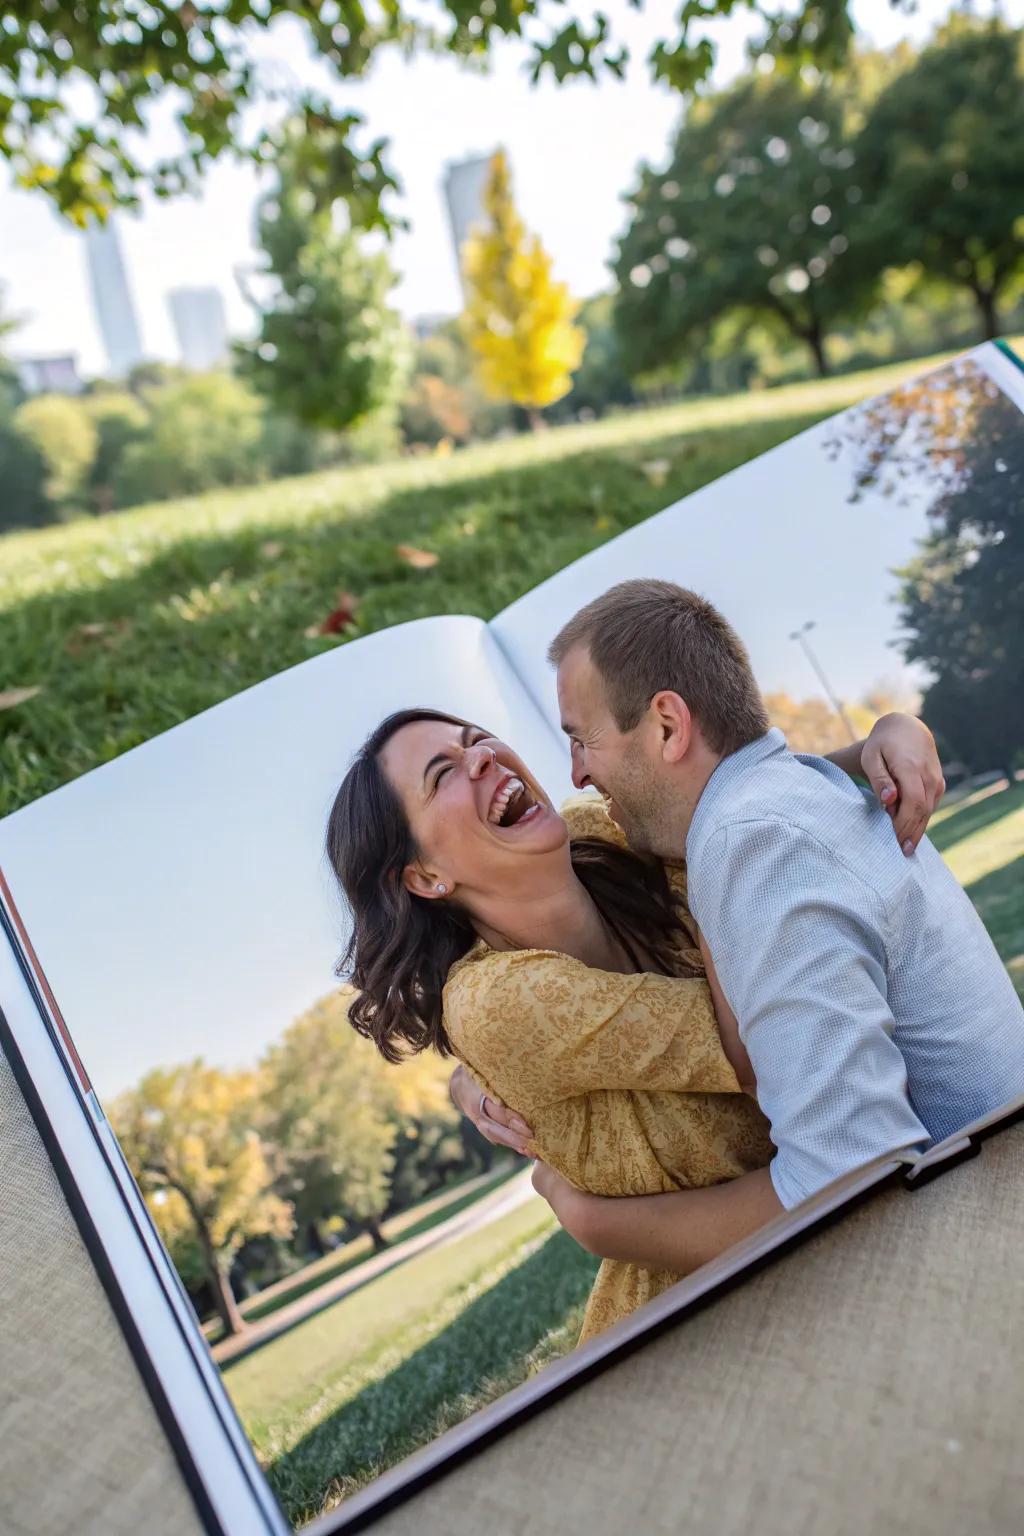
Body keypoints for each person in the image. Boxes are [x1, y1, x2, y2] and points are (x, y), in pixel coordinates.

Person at [326, 702, 944, 1341]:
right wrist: (713, 862)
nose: (482, 755)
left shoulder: (599, 833)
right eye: (442, 774)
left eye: (477, 738)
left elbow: (759, 800)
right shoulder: (500, 1002)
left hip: (847, 1200)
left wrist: (889, 739)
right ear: (425, 877)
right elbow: (765, 1045)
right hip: (705, 1320)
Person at [525, 578, 1024, 1281]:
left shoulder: (755, 841)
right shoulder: (798, 792)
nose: (577, 774)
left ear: (667, 725)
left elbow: (851, 1185)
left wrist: (595, 1222)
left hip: (985, 1251)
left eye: (583, 740)